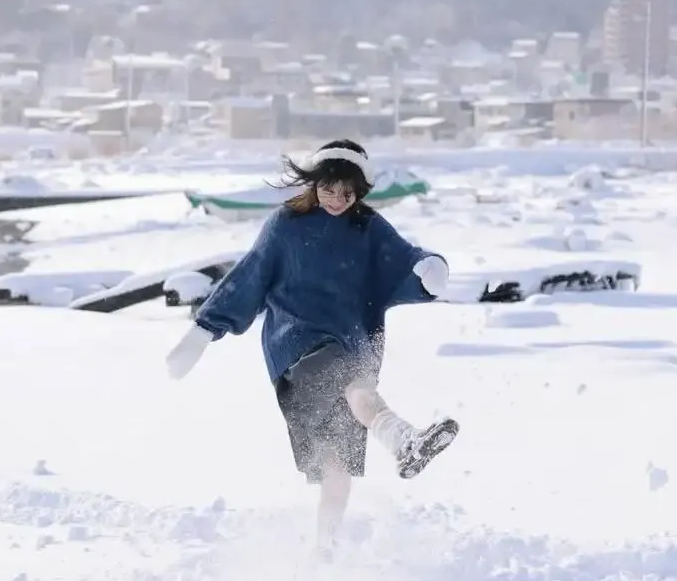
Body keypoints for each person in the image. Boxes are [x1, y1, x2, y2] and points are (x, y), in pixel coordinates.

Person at [165, 139, 459, 551]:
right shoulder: (285, 225)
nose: (337, 200)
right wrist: (203, 331)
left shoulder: (369, 228)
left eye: (347, 193)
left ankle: (324, 553)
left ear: (359, 192)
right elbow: (249, 276)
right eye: (329, 189)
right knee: (354, 386)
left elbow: (405, 259)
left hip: (351, 340)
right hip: (296, 344)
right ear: (314, 183)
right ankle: (403, 440)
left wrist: (429, 270)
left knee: (336, 469)